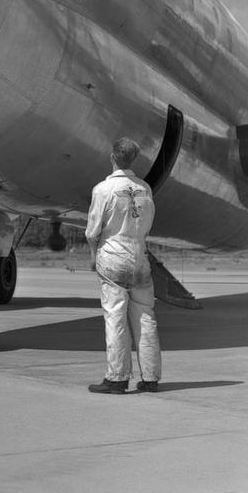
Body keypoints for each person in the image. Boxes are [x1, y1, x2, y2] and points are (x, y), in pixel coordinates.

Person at [85, 137, 161, 394]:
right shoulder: (145, 189)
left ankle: (117, 378)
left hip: (113, 256)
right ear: (134, 159)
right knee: (146, 317)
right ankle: (150, 377)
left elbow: (92, 230)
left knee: (116, 317)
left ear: (112, 157)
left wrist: (94, 255)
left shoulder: (102, 190)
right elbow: (148, 223)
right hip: (139, 256)